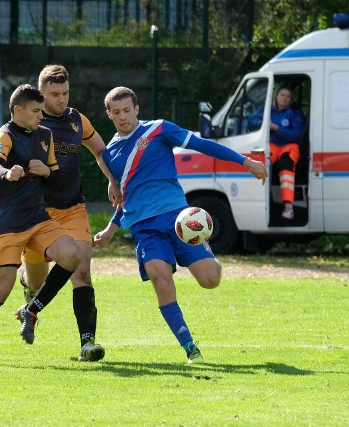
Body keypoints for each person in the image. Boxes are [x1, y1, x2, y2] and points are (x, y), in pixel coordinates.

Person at [94, 87, 268, 364]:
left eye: (127, 110)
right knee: (161, 279)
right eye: (116, 112)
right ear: (109, 114)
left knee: (210, 280)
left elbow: (204, 146)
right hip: (144, 228)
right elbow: (124, 195)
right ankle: (190, 348)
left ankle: (210, 257)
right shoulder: (110, 154)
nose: (123, 117)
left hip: (179, 220)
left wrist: (245, 162)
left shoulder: (159, 129)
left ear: (137, 109)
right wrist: (111, 228)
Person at [0, 64, 121, 362]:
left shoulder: (76, 120)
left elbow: (100, 150)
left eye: (66, 93)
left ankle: (87, 343)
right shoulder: (32, 125)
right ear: (40, 95)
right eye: (54, 94)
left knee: (81, 269)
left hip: (72, 208)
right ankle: (29, 302)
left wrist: (113, 179)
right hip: (37, 213)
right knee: (35, 281)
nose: (62, 100)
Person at [0, 84, 81, 365]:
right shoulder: (5, 134)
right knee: (3, 287)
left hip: (37, 217)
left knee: (71, 255)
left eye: (42, 110)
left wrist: (47, 171)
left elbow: (54, 175)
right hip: (7, 222)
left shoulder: (45, 135)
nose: (42, 115)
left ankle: (32, 309)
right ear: (18, 110)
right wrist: (7, 172)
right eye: (36, 111)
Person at [247, 85, 306, 220]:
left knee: (286, 165)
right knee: (260, 165)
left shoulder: (295, 114)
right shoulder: (267, 110)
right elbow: (251, 121)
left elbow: (296, 135)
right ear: (276, 96)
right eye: (282, 95)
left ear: (291, 100)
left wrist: (276, 128)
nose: (285, 99)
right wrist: (264, 123)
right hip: (272, 145)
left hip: (289, 146)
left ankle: (288, 207)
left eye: (288, 97)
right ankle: (258, 203)